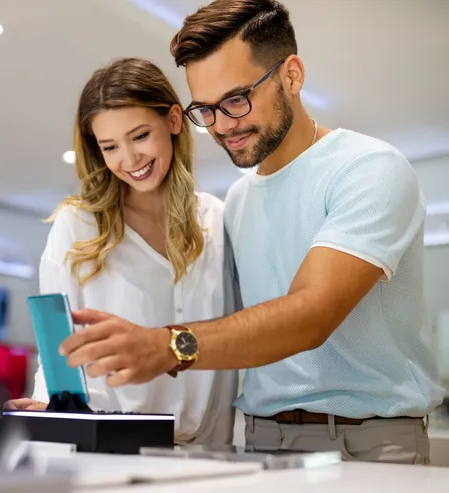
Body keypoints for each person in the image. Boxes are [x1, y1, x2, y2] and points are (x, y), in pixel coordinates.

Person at [58, 0, 445, 464]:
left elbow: (310, 315)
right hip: (259, 441)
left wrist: (168, 345)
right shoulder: (236, 203)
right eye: (207, 109)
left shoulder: (368, 169)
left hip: (370, 442)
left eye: (237, 99)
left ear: (292, 76)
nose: (222, 125)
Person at [4, 57, 239, 445]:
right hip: (109, 447)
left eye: (140, 136)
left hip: (209, 452)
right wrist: (51, 408)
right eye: (110, 146)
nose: (129, 160)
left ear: (174, 121)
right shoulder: (78, 226)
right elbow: (59, 346)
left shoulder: (216, 218)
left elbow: (234, 336)